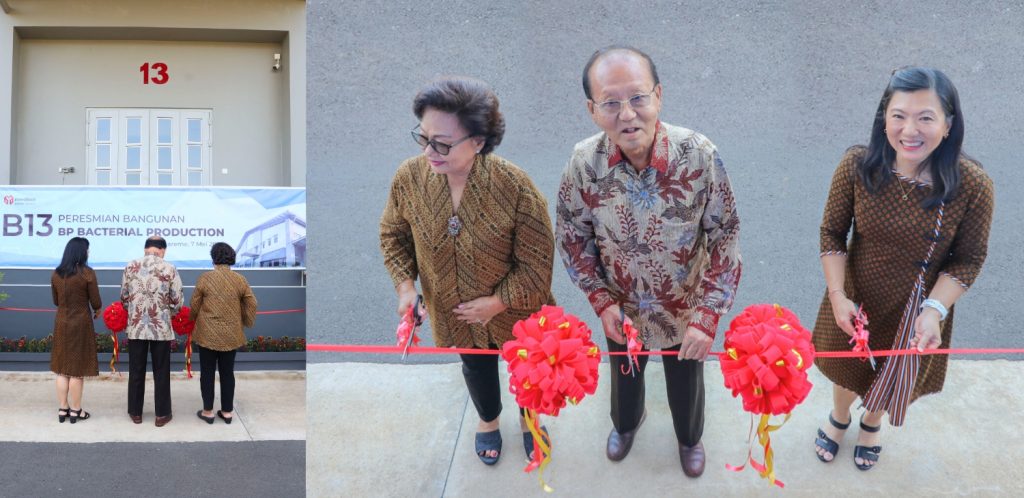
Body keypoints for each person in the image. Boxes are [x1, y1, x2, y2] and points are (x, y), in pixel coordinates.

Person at [555, 46, 741, 478]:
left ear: (659, 95)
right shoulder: (584, 162)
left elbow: (726, 236)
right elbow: (572, 237)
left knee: (685, 383)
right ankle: (625, 423)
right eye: (611, 103)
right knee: (624, 374)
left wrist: (707, 316)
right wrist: (601, 301)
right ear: (592, 109)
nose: (627, 114)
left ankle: (689, 437)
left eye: (638, 98)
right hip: (620, 308)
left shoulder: (699, 156)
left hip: (684, 306)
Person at [812, 67, 994, 471]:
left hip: (920, 307)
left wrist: (935, 311)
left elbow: (969, 258)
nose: (910, 129)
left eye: (925, 117)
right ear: (884, 118)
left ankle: (871, 423)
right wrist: (839, 297)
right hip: (856, 294)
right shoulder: (858, 166)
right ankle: (840, 417)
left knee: (895, 376)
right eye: (899, 115)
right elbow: (832, 233)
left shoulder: (973, 186)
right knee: (846, 368)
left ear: (948, 125)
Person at [380, 76, 555, 465]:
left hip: (517, 313)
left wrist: (497, 303)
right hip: (455, 313)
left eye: (442, 143)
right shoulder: (409, 178)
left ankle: (530, 420)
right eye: (423, 137)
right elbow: (394, 234)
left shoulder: (515, 187)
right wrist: (406, 288)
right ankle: (488, 420)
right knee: (475, 367)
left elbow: (537, 265)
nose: (429, 151)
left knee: (527, 367)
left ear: (478, 142)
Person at [190, 242, 258, 425]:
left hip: (207, 333)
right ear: (231, 258)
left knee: (207, 373)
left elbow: (195, 304)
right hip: (231, 334)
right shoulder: (240, 279)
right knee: (228, 373)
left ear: (213, 258)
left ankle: (208, 412)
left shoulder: (205, 278)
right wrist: (244, 320)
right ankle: (227, 412)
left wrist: (192, 318)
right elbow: (252, 303)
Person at [120, 236, 183, 427]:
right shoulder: (169, 268)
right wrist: (166, 313)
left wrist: (135, 312)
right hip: (161, 327)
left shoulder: (130, 267)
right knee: (161, 371)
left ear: (146, 249)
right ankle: (162, 415)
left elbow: (124, 297)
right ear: (162, 250)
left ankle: (135, 413)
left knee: (136, 370)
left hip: (137, 327)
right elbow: (177, 301)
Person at [49, 237, 102, 424]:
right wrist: (97, 310)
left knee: (62, 370)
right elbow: (96, 301)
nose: (88, 253)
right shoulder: (87, 273)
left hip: (62, 322)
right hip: (81, 323)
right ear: (81, 252)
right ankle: (76, 411)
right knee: (77, 371)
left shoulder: (56, 273)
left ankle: (63, 409)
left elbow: (56, 301)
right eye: (87, 250)